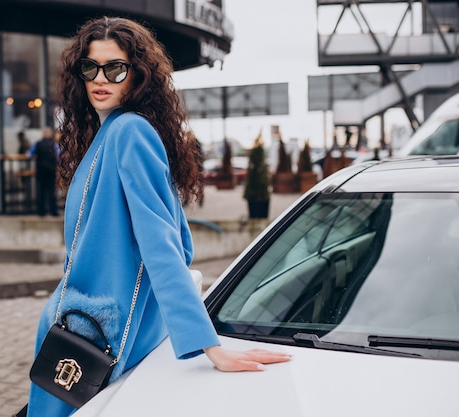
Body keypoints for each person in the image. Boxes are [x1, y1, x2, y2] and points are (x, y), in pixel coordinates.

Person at [26, 16, 291, 416]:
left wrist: (207, 344)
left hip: (101, 336)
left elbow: (161, 243)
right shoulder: (107, 134)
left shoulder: (129, 133)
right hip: (80, 326)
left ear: (138, 76)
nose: (101, 79)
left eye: (115, 68)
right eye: (90, 67)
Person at [31, 126, 59, 217]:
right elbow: (60, 156)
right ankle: (53, 211)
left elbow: (29, 154)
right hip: (51, 169)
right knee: (52, 191)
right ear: (51, 134)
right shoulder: (54, 144)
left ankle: (41, 211)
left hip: (41, 170)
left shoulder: (38, 144)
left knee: (41, 191)